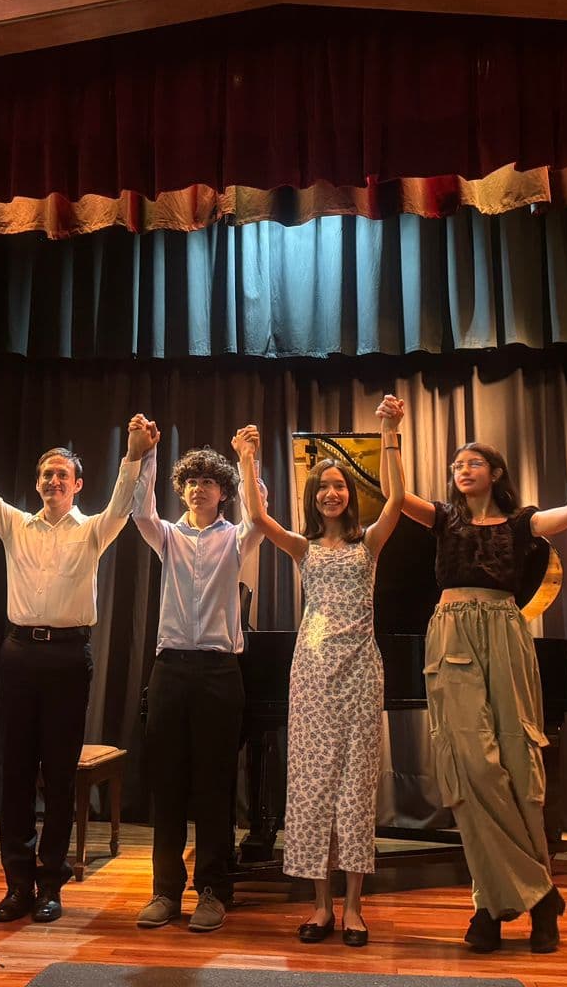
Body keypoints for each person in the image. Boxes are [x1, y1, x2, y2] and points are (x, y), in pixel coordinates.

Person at [401, 410, 567, 954]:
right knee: (471, 768)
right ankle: (537, 895)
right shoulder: (444, 518)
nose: (460, 469)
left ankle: (493, 914)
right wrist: (390, 434)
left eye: (472, 462)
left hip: (505, 632)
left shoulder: (521, 523)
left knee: (519, 767)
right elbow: (394, 493)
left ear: (495, 472)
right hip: (450, 634)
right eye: (455, 464)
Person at [0, 402, 148, 924]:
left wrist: (131, 457)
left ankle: (51, 882)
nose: (52, 480)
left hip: (66, 656)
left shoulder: (92, 530)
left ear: (78, 484)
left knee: (58, 774)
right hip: (19, 654)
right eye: (45, 473)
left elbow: (124, 507)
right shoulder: (16, 525)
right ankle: (17, 884)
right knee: (15, 772)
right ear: (37, 483)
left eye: (62, 474)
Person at [235, 395, 406, 948]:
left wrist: (389, 430)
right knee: (310, 788)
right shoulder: (303, 547)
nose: (332, 492)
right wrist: (247, 459)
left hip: (360, 673)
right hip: (310, 675)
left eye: (340, 485)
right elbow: (258, 518)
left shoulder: (369, 544)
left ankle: (356, 907)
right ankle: (320, 906)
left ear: (350, 495)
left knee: (355, 788)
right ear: (313, 498)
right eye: (322, 487)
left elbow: (398, 500)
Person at [129, 420, 265, 935]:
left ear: (222, 492)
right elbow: (139, 510)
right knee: (167, 784)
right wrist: (146, 456)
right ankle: (165, 891)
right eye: (191, 480)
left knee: (214, 784)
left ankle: (213, 889)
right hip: (170, 670)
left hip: (218, 670)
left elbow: (259, 514)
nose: (197, 487)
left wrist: (247, 459)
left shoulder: (236, 538)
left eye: (208, 481)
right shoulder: (168, 535)